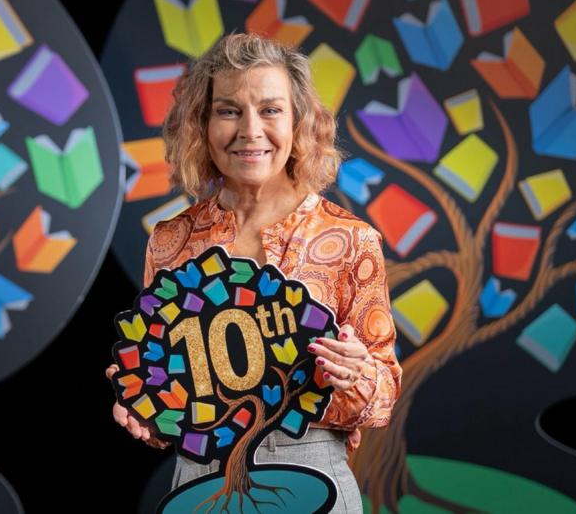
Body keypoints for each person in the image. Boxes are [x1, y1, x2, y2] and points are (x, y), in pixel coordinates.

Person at [108, 32, 401, 512]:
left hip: (313, 470)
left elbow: (384, 392)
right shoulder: (170, 241)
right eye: (228, 110)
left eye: (270, 110)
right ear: (202, 124)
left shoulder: (351, 239)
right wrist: (146, 406)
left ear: (298, 122)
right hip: (201, 481)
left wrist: (357, 374)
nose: (250, 130)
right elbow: (171, 392)